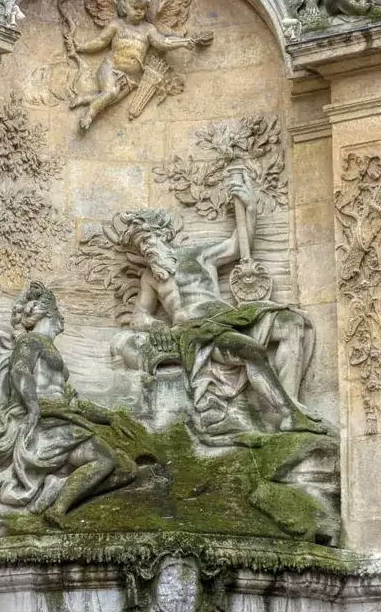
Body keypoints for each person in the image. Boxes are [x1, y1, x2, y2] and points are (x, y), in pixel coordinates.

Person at [111, 175, 322, 445]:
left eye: (147, 238)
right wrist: (154, 325)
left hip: (228, 317)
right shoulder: (150, 278)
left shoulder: (198, 255)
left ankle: (292, 403)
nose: (145, 246)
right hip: (197, 331)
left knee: (292, 322)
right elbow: (140, 314)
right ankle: (286, 413)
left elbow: (236, 245)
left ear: (161, 235)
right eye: (139, 244)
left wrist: (251, 208)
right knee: (248, 349)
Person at [0, 282, 137, 526]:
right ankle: (57, 507)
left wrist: (110, 417)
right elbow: (20, 372)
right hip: (48, 418)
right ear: (47, 313)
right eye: (59, 313)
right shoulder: (31, 342)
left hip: (64, 414)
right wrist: (33, 406)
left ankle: (57, 487)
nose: (63, 318)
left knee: (127, 468)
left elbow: (75, 402)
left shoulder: (49, 349)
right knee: (107, 460)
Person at [69, 0, 211, 131]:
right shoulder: (116, 25)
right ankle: (89, 116)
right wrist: (81, 47)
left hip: (131, 77)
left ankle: (84, 98)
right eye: (135, 7)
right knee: (110, 92)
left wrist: (183, 42)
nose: (140, 12)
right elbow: (100, 41)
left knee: (111, 99)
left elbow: (161, 42)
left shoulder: (148, 29)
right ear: (124, 8)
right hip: (111, 67)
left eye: (143, 9)